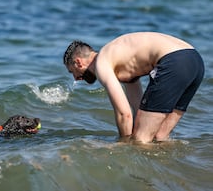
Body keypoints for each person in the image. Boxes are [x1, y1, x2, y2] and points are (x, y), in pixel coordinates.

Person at [63, 32, 204, 143]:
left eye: (72, 72)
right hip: (195, 60)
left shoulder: (102, 63)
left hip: (174, 61)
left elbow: (124, 114)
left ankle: (142, 178)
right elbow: (138, 112)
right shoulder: (121, 62)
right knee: (159, 136)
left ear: (78, 63)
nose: (76, 78)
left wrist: (123, 147)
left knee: (140, 140)